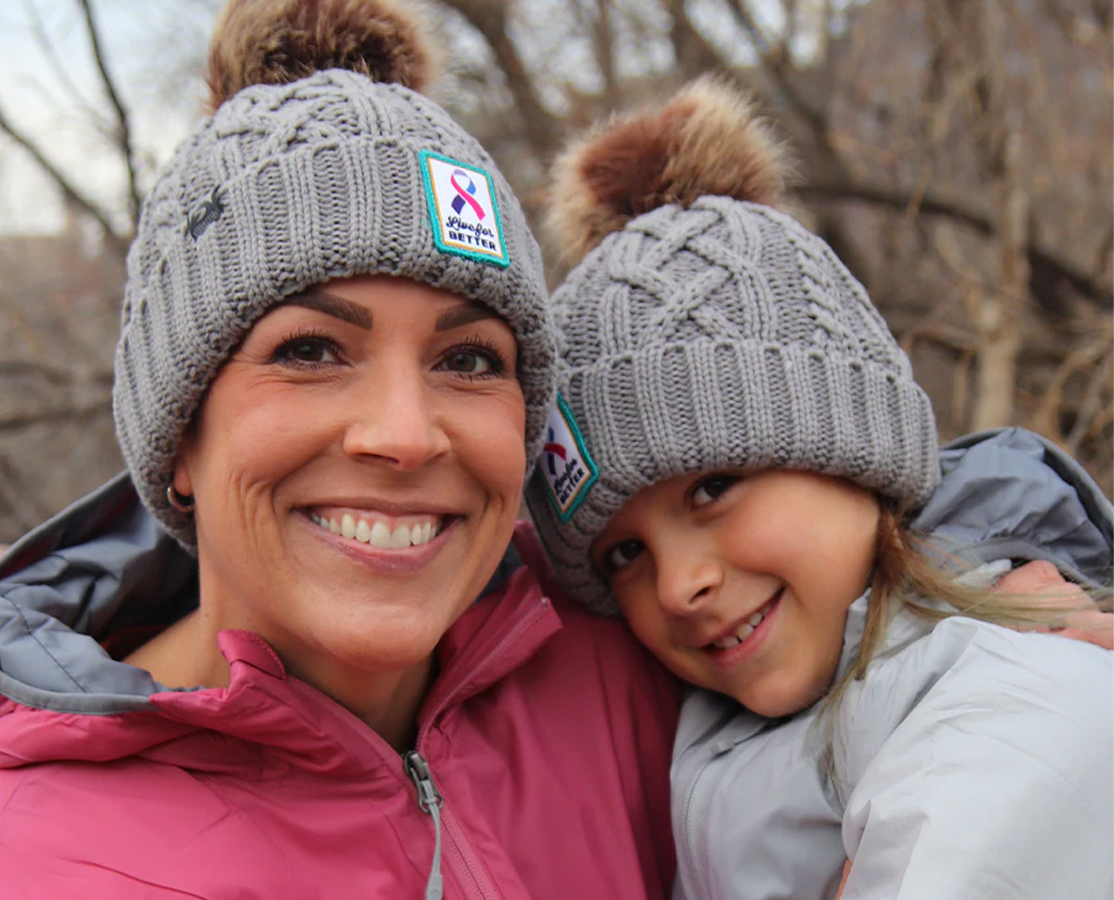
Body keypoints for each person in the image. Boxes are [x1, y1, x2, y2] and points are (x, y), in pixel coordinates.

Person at [0, 2, 680, 897]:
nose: (404, 435)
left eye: (468, 361)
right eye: (312, 351)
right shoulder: (41, 861)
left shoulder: (640, 667)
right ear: (179, 441)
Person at [524, 78, 1114, 900]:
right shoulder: (722, 737)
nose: (679, 585)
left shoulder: (1010, 708)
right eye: (624, 553)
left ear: (856, 454)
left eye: (713, 488)